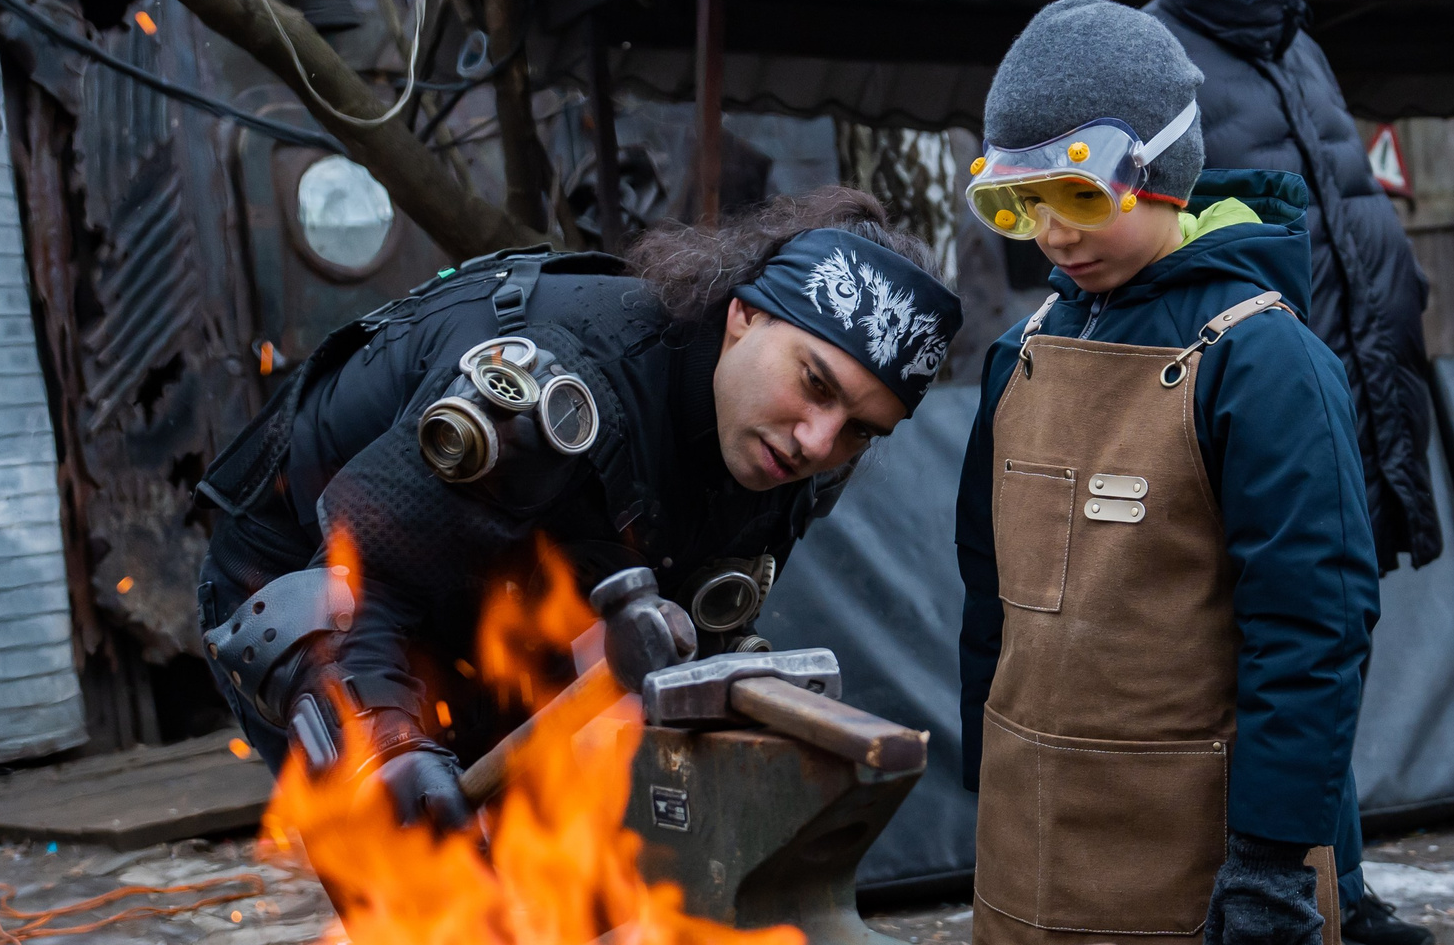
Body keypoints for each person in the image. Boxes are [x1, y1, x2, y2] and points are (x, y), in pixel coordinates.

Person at [955, 0, 1378, 945]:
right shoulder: (1023, 349)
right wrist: (989, 775)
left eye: (1078, 197)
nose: (1052, 233)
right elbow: (988, 593)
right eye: (1019, 204)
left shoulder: (1263, 355)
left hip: (1199, 858)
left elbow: (1315, 619)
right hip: (1031, 845)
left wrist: (1272, 851)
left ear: (1159, 170)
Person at [195, 192, 961, 823]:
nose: (818, 440)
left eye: (861, 428)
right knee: (418, 860)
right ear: (744, 316)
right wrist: (392, 750)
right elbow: (357, 593)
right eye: (815, 383)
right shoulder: (562, 388)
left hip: (499, 588)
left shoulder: (788, 454)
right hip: (305, 584)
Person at [1146, 0, 1442, 945]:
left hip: (1351, 386)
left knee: (1333, 634)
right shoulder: (1156, 59)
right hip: (1247, 402)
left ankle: (1336, 881)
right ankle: (1309, 883)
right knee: (1266, 646)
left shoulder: (1301, 53)